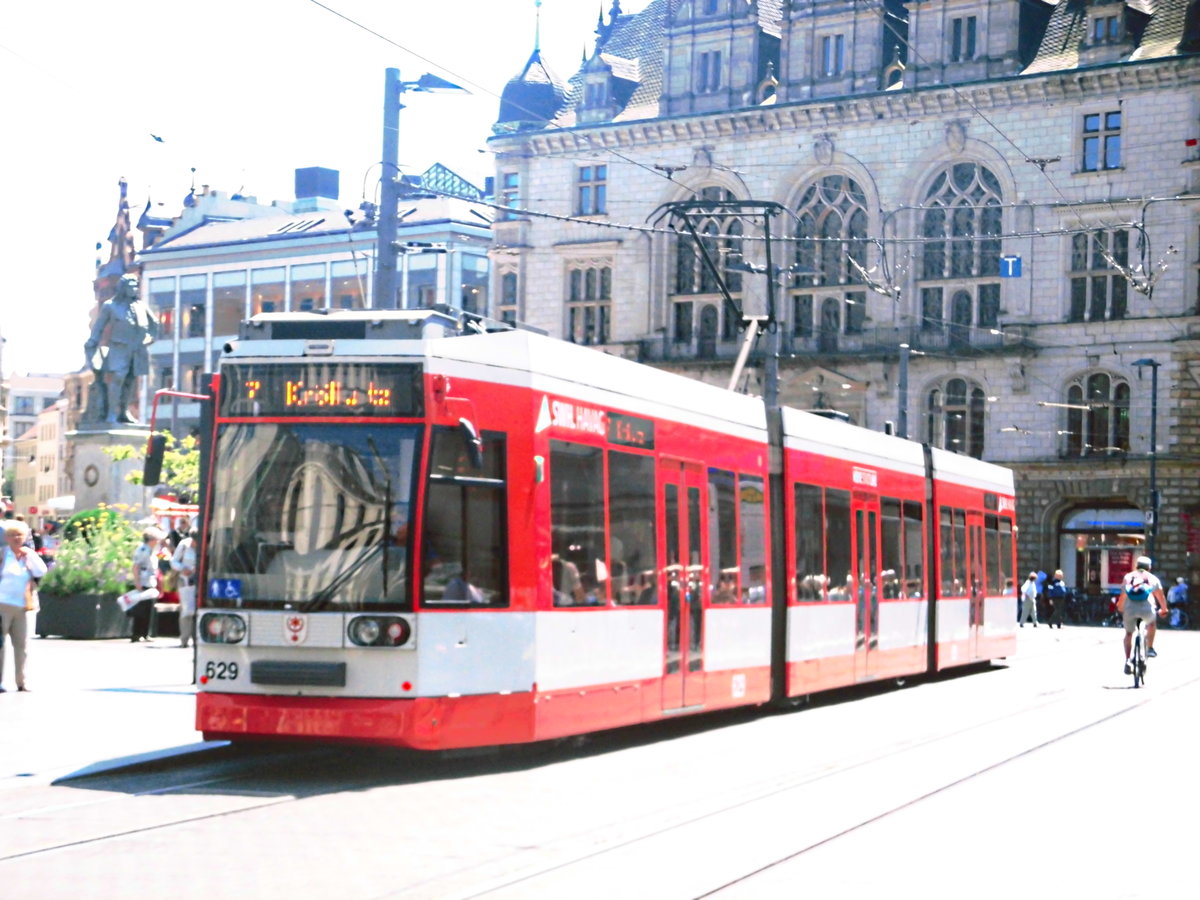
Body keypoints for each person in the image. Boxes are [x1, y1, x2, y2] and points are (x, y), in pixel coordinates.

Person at [82, 272, 158, 424]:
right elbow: (99, 327)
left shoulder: (140, 306)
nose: (134, 289)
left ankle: (124, 412)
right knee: (117, 379)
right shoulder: (111, 306)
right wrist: (92, 341)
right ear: (123, 288)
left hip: (136, 349)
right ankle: (111, 413)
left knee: (130, 381)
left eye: (136, 286)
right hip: (118, 347)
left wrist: (149, 338)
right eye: (131, 287)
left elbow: (154, 323)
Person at [0, 521, 48, 692]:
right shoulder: (3, 554)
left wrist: (31, 555)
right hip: (2, 605)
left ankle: (22, 682)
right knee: (0, 645)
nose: (16, 538)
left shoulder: (28, 555)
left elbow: (41, 572)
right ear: (7, 538)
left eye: (19, 535)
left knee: (22, 645)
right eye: (12, 535)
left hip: (22, 606)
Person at [1117, 555, 1169, 674]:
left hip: (1130, 609)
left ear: (1136, 566)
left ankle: (1127, 660)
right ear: (1149, 568)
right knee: (1151, 623)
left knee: (1129, 633)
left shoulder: (1128, 577)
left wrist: (1120, 607)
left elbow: (1123, 596)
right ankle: (1150, 648)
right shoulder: (1152, 578)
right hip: (1147, 609)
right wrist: (1164, 609)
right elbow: (1160, 596)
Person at [122, 527, 165, 641]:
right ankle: (136, 634)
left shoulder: (152, 550)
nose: (157, 542)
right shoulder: (142, 550)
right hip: (143, 581)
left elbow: (157, 560)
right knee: (140, 610)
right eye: (156, 539)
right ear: (151, 539)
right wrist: (137, 582)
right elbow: (136, 566)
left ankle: (145, 633)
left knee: (149, 609)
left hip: (151, 582)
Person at [171, 527, 198, 648]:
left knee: (197, 610)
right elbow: (174, 561)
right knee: (186, 610)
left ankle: (197, 638)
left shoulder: (205, 545)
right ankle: (184, 639)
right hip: (184, 580)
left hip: (198, 581)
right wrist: (183, 568)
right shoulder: (184, 545)